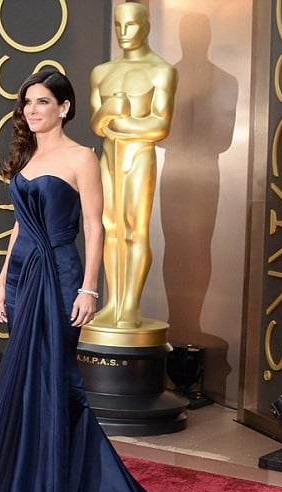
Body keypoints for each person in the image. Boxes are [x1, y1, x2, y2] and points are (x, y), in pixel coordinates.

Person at [0, 70, 257, 492]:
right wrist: (3, 283)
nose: (32, 111)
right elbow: (16, 229)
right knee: (26, 386)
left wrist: (90, 287)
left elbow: (96, 228)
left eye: (43, 102)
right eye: (27, 102)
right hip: (27, 277)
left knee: (55, 385)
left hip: (62, 276)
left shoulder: (82, 158)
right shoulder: (27, 157)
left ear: (65, 108)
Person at [89, 2, 177, 329]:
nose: (124, 33)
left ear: (146, 26)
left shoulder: (162, 71)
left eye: (132, 26)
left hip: (140, 155)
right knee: (111, 227)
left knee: (135, 229)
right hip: (110, 156)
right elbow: (97, 124)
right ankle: (113, 302)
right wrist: (112, 109)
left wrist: (118, 123)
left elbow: (160, 125)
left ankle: (131, 307)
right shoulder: (102, 72)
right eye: (118, 26)